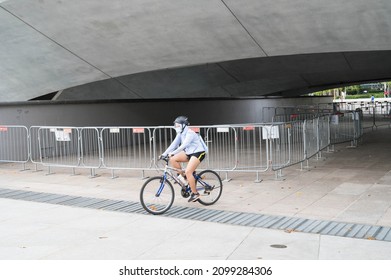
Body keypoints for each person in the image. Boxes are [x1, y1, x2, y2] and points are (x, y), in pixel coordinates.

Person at [161, 116, 208, 202]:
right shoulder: (180, 134)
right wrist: (163, 154)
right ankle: (185, 180)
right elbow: (174, 144)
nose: (176, 127)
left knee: (188, 171)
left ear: (183, 126)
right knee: (173, 159)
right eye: (175, 125)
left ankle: (195, 194)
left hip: (198, 152)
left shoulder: (190, 133)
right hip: (189, 153)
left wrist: (173, 152)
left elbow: (184, 145)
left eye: (178, 125)